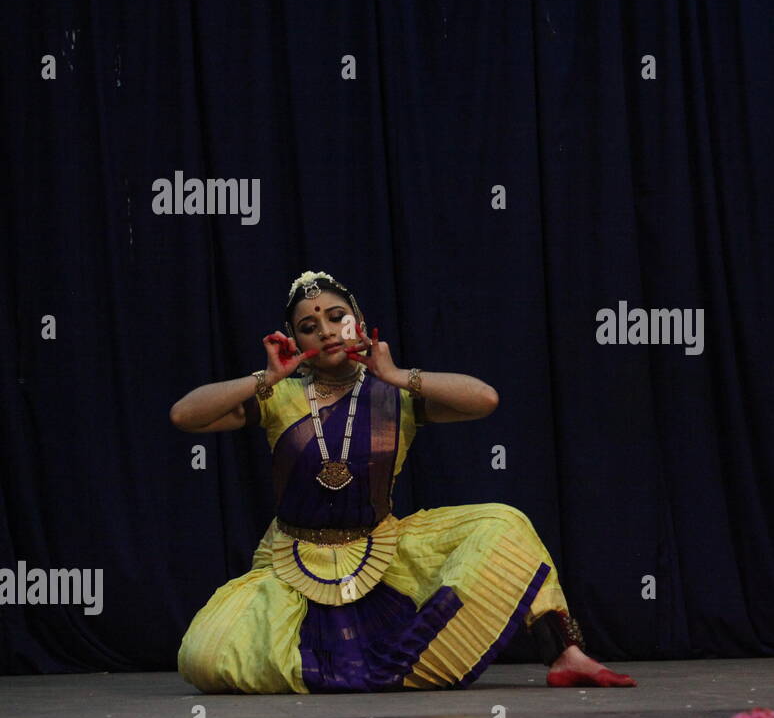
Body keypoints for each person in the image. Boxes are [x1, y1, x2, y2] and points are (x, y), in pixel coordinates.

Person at [171, 269, 636, 693]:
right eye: (310, 326)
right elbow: (185, 416)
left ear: (359, 321)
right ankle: (363, 668)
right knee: (207, 655)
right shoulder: (277, 395)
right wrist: (266, 377)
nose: (327, 330)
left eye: (338, 317)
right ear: (293, 338)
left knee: (504, 522)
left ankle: (564, 653)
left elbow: (485, 399)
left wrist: (395, 375)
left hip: (384, 554)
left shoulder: (394, 393)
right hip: (292, 563)